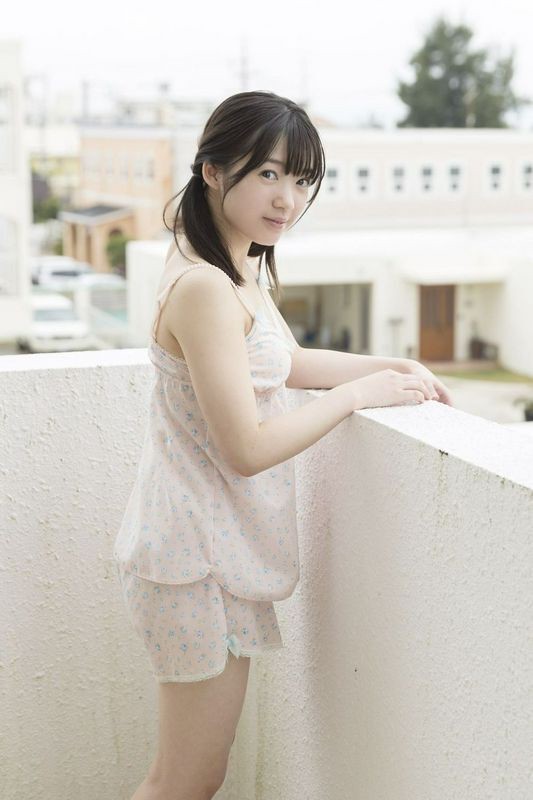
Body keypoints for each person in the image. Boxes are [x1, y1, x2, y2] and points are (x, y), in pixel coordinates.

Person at [113, 90, 452, 800]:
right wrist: (356, 397)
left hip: (213, 555)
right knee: (183, 780)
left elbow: (285, 363)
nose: (287, 199)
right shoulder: (205, 286)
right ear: (212, 169)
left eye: (301, 180)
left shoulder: (238, 267)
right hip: (194, 563)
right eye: (267, 173)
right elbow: (246, 447)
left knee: (194, 774)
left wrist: (391, 367)